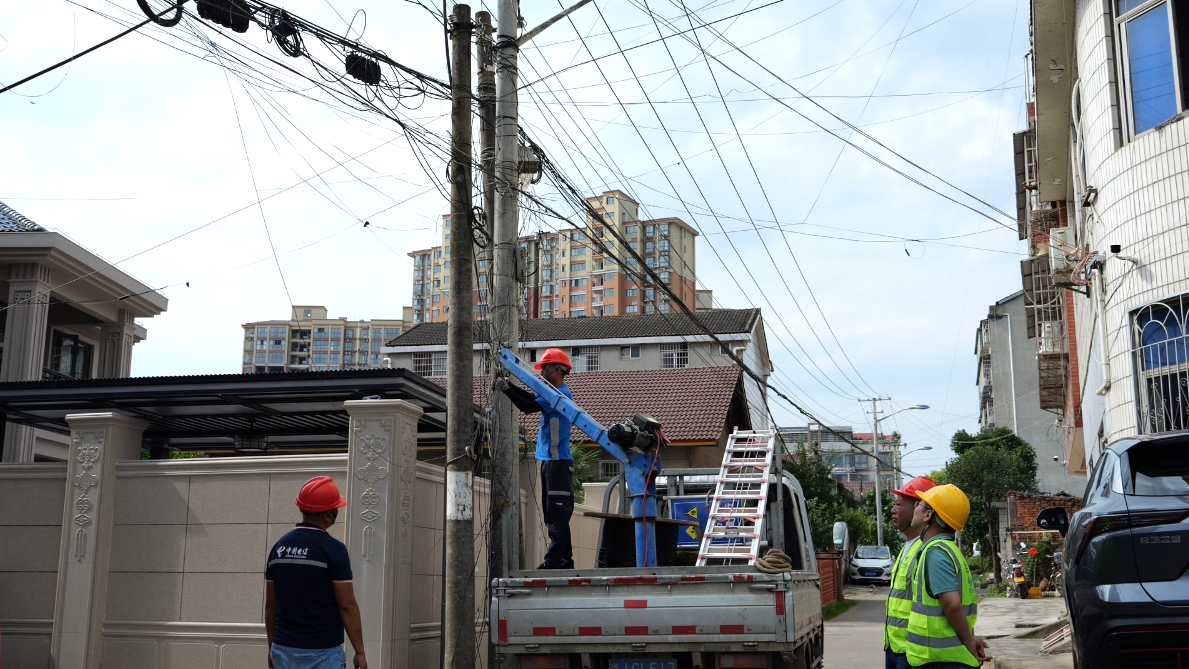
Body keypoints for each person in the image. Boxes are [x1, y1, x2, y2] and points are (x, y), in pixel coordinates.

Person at [265, 476, 367, 669]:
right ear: (327, 515)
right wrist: (360, 651)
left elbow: (271, 604)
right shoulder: (334, 549)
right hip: (321, 653)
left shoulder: (279, 547)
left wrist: (272, 646)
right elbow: (347, 606)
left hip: (283, 648)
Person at [494, 347, 575, 569]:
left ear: (558, 370)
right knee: (553, 513)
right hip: (552, 462)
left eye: (546, 368)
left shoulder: (560, 396)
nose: (543, 373)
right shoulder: (552, 394)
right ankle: (563, 561)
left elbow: (528, 407)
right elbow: (531, 396)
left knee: (556, 515)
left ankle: (556, 561)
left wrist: (506, 389)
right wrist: (508, 386)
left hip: (558, 463)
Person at [905, 484, 992, 668]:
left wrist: (969, 641)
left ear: (928, 515)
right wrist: (970, 637)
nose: (915, 509)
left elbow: (952, 605)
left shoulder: (936, 552)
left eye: (918, 505)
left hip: (942, 661)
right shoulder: (948, 549)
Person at [884, 476, 938, 669]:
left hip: (913, 652)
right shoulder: (907, 547)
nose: (893, 510)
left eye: (898, 504)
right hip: (893, 647)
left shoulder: (928, 551)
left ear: (920, 509)